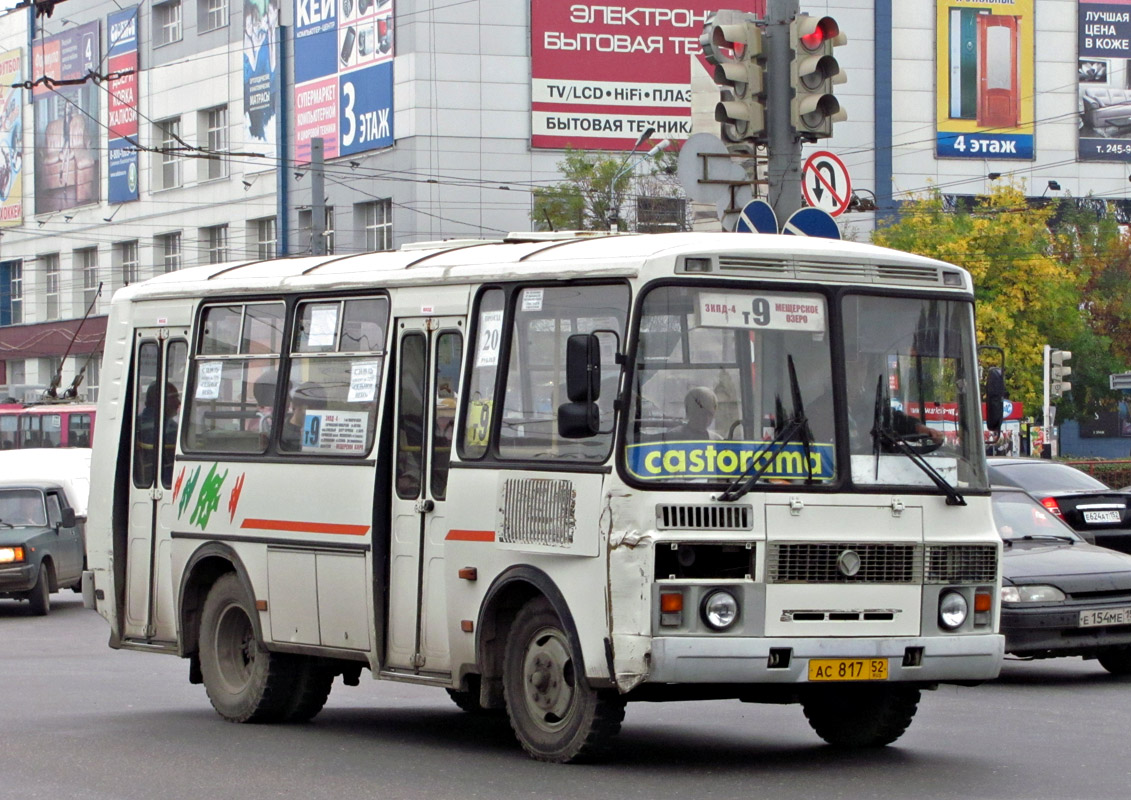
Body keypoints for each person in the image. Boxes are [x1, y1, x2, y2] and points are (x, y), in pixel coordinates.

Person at [136, 381, 180, 487]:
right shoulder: (168, 428)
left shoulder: (138, 421)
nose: (178, 403)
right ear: (159, 400)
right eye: (173, 398)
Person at [280, 381, 325, 451]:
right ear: (295, 406)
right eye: (306, 408)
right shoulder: (281, 433)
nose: (313, 415)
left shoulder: (323, 431)